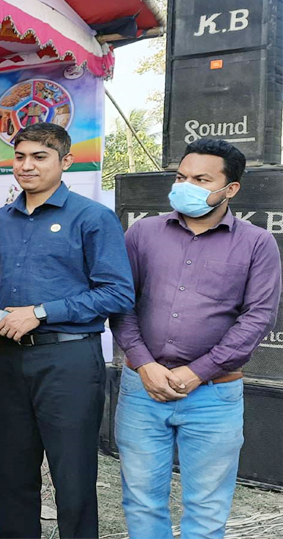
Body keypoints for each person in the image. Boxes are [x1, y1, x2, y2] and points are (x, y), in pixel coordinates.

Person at [112, 139, 282, 539]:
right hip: (142, 390)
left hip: (213, 397)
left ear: (230, 188)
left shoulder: (257, 243)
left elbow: (257, 318)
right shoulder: (142, 233)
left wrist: (197, 372)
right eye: (180, 177)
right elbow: (121, 304)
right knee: (141, 500)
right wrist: (144, 364)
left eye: (201, 179)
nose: (185, 186)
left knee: (206, 510)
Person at [0, 122, 134, 539]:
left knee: (72, 475)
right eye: (20, 156)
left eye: (39, 157)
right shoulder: (1, 219)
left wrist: (41, 312)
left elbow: (118, 293)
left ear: (66, 161)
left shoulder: (92, 217)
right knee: (11, 470)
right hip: (8, 356)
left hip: (68, 359)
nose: (26, 166)